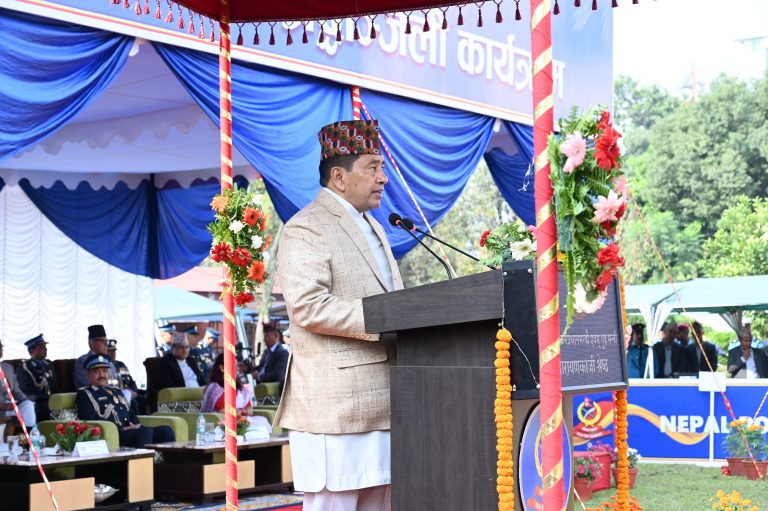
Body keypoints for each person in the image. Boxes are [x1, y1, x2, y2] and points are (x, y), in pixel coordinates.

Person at [276, 119, 404, 511]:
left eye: (382, 167)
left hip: (386, 403)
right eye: (372, 167)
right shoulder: (306, 227)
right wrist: (386, 319)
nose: (383, 178)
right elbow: (308, 305)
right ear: (339, 176)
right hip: (335, 406)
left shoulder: (376, 227)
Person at [76, 354, 174, 448]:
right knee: (145, 432)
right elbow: (90, 419)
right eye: (96, 372)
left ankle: (169, 460)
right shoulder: (85, 394)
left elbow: (129, 412)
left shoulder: (116, 391)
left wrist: (136, 425)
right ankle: (140, 460)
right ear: (88, 375)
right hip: (113, 433)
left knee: (166, 430)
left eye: (104, 371)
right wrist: (122, 428)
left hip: (129, 431)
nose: (102, 375)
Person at [201, 354, 272, 434]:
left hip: (240, 420)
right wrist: (242, 410)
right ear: (222, 368)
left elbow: (250, 410)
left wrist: (242, 411)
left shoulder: (241, 388)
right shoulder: (215, 388)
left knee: (262, 421)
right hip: (221, 424)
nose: (236, 368)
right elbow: (224, 412)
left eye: (236, 365)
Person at [18, 334, 56, 421]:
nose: (45, 349)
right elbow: (25, 388)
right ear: (32, 350)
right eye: (41, 347)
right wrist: (44, 396)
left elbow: (54, 384)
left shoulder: (48, 364)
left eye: (45, 347)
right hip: (38, 400)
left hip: (51, 398)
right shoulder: (26, 367)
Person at [0, 339, 36, 427]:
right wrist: (2, 406)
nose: (0, 350)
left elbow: (17, 391)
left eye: (0, 347)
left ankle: (31, 432)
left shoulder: (7, 367)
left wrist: (25, 399)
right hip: (2, 408)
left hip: (10, 406)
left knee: (28, 405)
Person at [74, 325, 120, 390]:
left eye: (106, 341)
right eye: (102, 341)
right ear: (92, 344)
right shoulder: (83, 361)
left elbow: (116, 383)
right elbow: (90, 384)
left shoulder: (109, 362)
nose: (106, 344)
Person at [106, 339, 145, 414]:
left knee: (143, 399)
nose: (112, 354)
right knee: (134, 404)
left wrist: (134, 392)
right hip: (118, 395)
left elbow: (131, 381)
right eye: (109, 351)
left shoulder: (121, 365)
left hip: (129, 393)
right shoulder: (106, 367)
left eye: (114, 351)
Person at [254, 323, 289, 390]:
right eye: (264, 336)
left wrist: (260, 376)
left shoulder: (282, 353)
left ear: (276, 336)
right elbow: (261, 368)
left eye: (267, 336)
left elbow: (278, 375)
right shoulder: (266, 352)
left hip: (275, 390)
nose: (265, 339)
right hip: (263, 388)